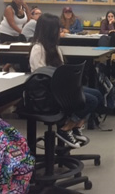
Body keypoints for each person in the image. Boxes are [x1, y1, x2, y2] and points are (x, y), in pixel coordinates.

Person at [30, 13, 101, 149]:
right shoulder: (38, 49)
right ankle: (66, 127)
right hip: (49, 91)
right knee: (91, 100)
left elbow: (60, 70)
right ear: (50, 31)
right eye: (58, 29)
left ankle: (75, 125)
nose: (60, 31)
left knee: (97, 94)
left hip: (60, 87)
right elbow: (41, 76)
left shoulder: (55, 49)